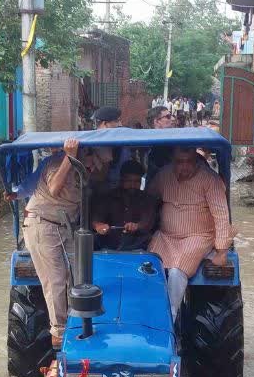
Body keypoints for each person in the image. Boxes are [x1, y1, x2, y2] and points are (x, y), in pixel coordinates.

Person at [22, 138, 111, 351]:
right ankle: (59, 333)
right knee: (56, 279)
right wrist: (69, 157)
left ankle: (78, 323)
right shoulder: (59, 162)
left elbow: (99, 177)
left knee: (78, 277)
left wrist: (105, 160)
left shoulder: (87, 169)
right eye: (91, 159)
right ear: (81, 154)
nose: (92, 165)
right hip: (43, 224)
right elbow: (53, 189)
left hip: (66, 226)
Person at [148, 147, 232, 319]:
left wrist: (222, 251)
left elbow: (221, 214)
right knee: (148, 265)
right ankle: (146, 313)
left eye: (189, 162)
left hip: (199, 236)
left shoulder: (210, 179)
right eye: (180, 162)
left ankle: (168, 317)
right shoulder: (164, 175)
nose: (184, 167)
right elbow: (149, 196)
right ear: (173, 161)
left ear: (196, 161)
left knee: (178, 269)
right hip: (166, 236)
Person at [92, 160, 156, 251]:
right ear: (121, 179)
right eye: (129, 181)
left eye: (137, 181)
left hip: (137, 247)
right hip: (108, 246)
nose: (133, 185)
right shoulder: (108, 197)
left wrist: (136, 226)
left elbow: (147, 223)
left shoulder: (147, 199)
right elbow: (97, 219)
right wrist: (99, 226)